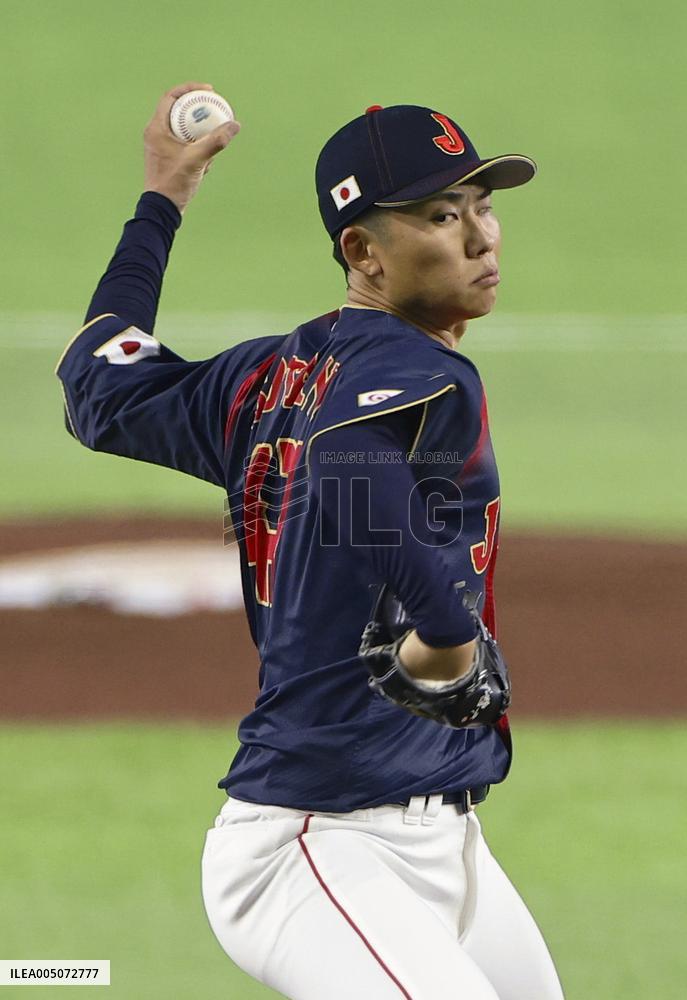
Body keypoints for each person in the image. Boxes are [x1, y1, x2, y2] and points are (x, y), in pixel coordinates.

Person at [57, 82, 565, 999]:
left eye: (482, 207)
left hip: (440, 841)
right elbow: (346, 474)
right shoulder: (414, 367)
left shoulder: (264, 376)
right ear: (362, 250)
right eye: (442, 215)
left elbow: (100, 381)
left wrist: (161, 201)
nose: (480, 235)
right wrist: (446, 631)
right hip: (318, 839)